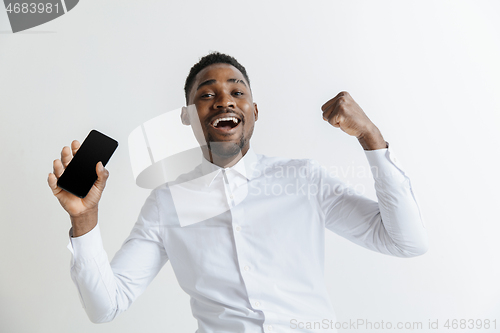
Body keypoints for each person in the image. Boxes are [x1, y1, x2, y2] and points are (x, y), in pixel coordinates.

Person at [47, 52, 428, 332]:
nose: (224, 100)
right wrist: (84, 220)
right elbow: (105, 307)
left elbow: (405, 241)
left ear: (254, 110)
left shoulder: (303, 180)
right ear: (187, 117)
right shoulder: (167, 205)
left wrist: (370, 137)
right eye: (207, 95)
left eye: (236, 91)